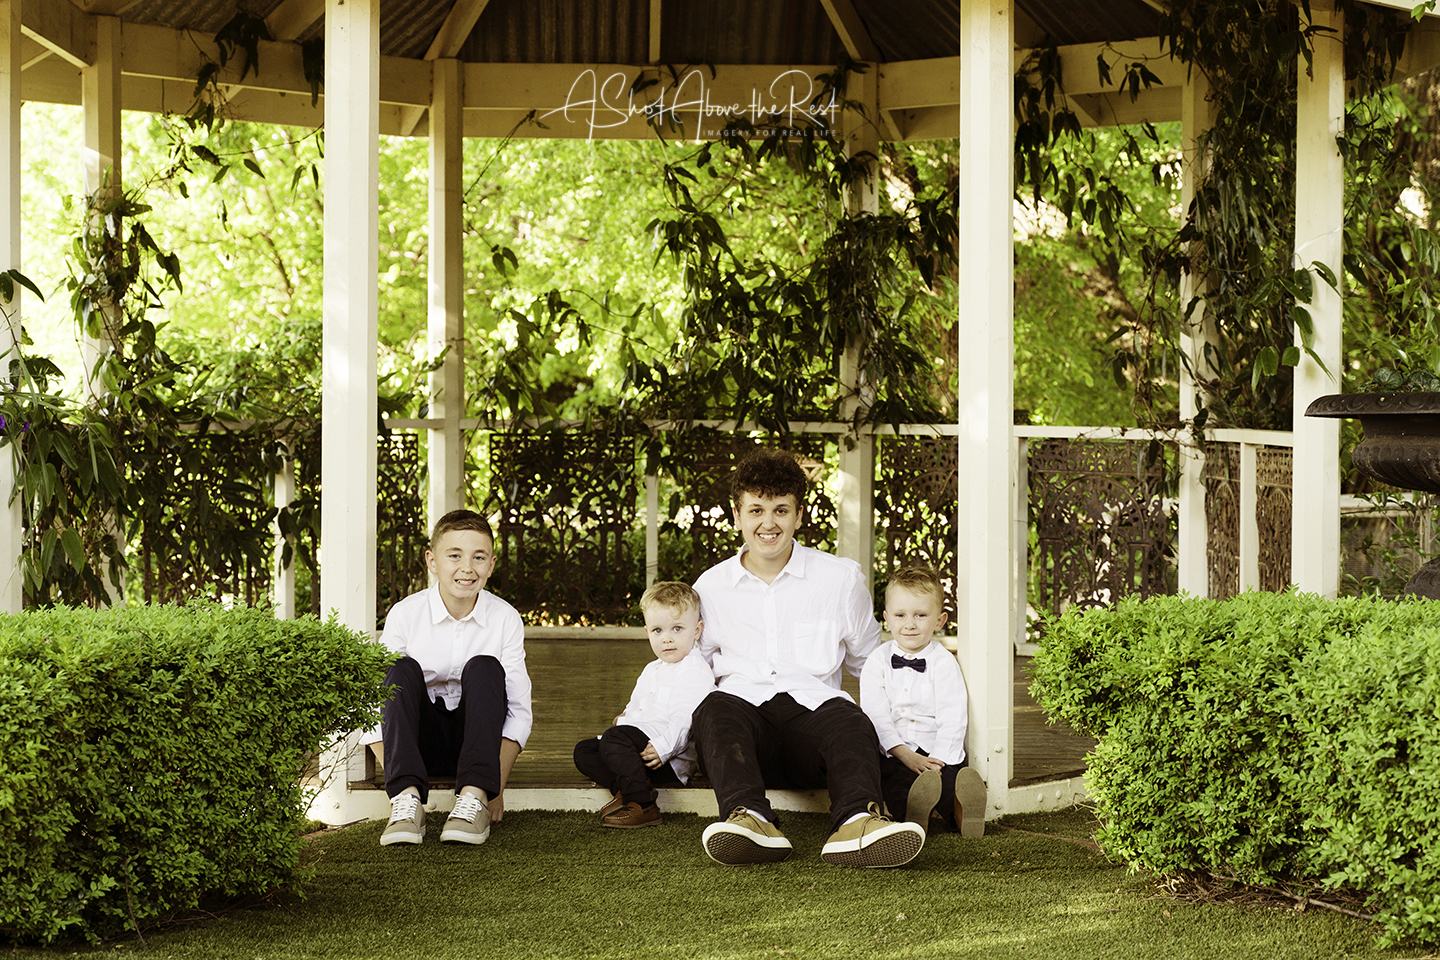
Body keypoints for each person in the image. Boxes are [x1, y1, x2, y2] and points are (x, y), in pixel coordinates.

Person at [690, 448, 926, 867]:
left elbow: (873, 665)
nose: (768, 523)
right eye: (756, 510)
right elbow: (692, 670)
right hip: (744, 737)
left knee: (850, 718)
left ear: (799, 515)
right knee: (714, 709)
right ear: (737, 515)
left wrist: (912, 733)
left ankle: (858, 823)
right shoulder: (710, 587)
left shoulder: (839, 579)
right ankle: (749, 820)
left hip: (815, 729)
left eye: (781, 510)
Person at [364, 509, 532, 847]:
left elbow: (518, 710)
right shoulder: (405, 614)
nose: (467, 568)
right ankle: (407, 803)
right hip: (416, 746)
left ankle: (473, 798)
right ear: (432, 561)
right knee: (398, 669)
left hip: (477, 748)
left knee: (485, 666)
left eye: (478, 557)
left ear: (491, 565)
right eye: (454, 555)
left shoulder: (505, 618)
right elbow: (372, 706)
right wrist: (397, 776)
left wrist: (493, 786)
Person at [572, 581, 716, 828]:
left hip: (667, 759)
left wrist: (663, 748)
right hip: (639, 749)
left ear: (697, 631)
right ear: (648, 632)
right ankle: (626, 790)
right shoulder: (652, 669)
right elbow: (636, 704)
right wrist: (625, 718)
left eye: (677, 629)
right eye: (658, 631)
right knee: (584, 751)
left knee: (614, 739)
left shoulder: (694, 669)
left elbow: (686, 718)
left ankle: (644, 805)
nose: (667, 639)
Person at [860, 564, 987, 837]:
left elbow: (953, 716)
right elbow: (876, 716)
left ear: (939, 621)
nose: (910, 624)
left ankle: (962, 812)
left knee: (951, 780)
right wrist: (905, 755)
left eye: (920, 615)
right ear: (886, 618)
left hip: (937, 751)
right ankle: (915, 812)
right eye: (900, 615)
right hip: (896, 752)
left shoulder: (944, 662)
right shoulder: (877, 661)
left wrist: (937, 762)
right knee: (895, 782)